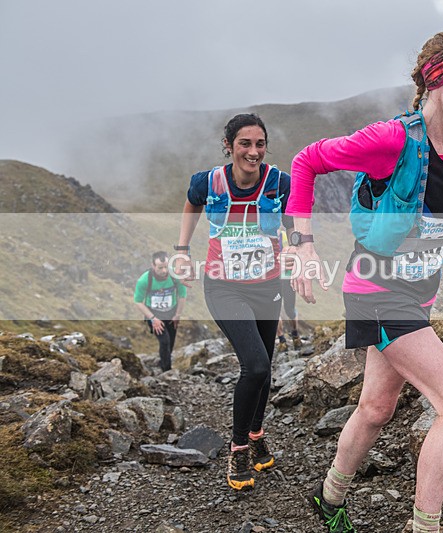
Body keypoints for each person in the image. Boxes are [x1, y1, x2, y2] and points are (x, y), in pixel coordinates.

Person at [287, 30, 443, 533]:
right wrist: (303, 245)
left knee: (377, 406)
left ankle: (329, 498)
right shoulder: (391, 140)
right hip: (377, 290)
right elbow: (306, 161)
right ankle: (425, 527)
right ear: (439, 78)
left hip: (419, 289)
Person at [172, 113, 292, 491]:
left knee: (266, 366)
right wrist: (181, 249)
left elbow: (295, 225)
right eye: (245, 143)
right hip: (224, 287)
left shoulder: (279, 184)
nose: (253, 152)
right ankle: (238, 448)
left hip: (267, 284)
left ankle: (256, 434)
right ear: (229, 145)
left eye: (259, 144)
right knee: (254, 365)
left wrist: (301, 252)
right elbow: (192, 204)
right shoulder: (208, 182)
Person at [133, 251, 187, 372]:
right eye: (160, 268)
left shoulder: (175, 275)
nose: (164, 271)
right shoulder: (144, 280)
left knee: (170, 343)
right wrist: (152, 318)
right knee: (165, 341)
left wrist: (177, 315)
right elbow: (138, 301)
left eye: (166, 267)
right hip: (154, 314)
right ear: (153, 266)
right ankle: (166, 371)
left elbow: (182, 295)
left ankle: (164, 360)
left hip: (171, 313)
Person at [276, 229, 302, 352]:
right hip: (272, 278)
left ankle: (295, 335)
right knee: (273, 310)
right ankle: (282, 340)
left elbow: (290, 250)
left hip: (287, 276)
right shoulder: (262, 237)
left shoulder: (284, 236)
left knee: (289, 309)